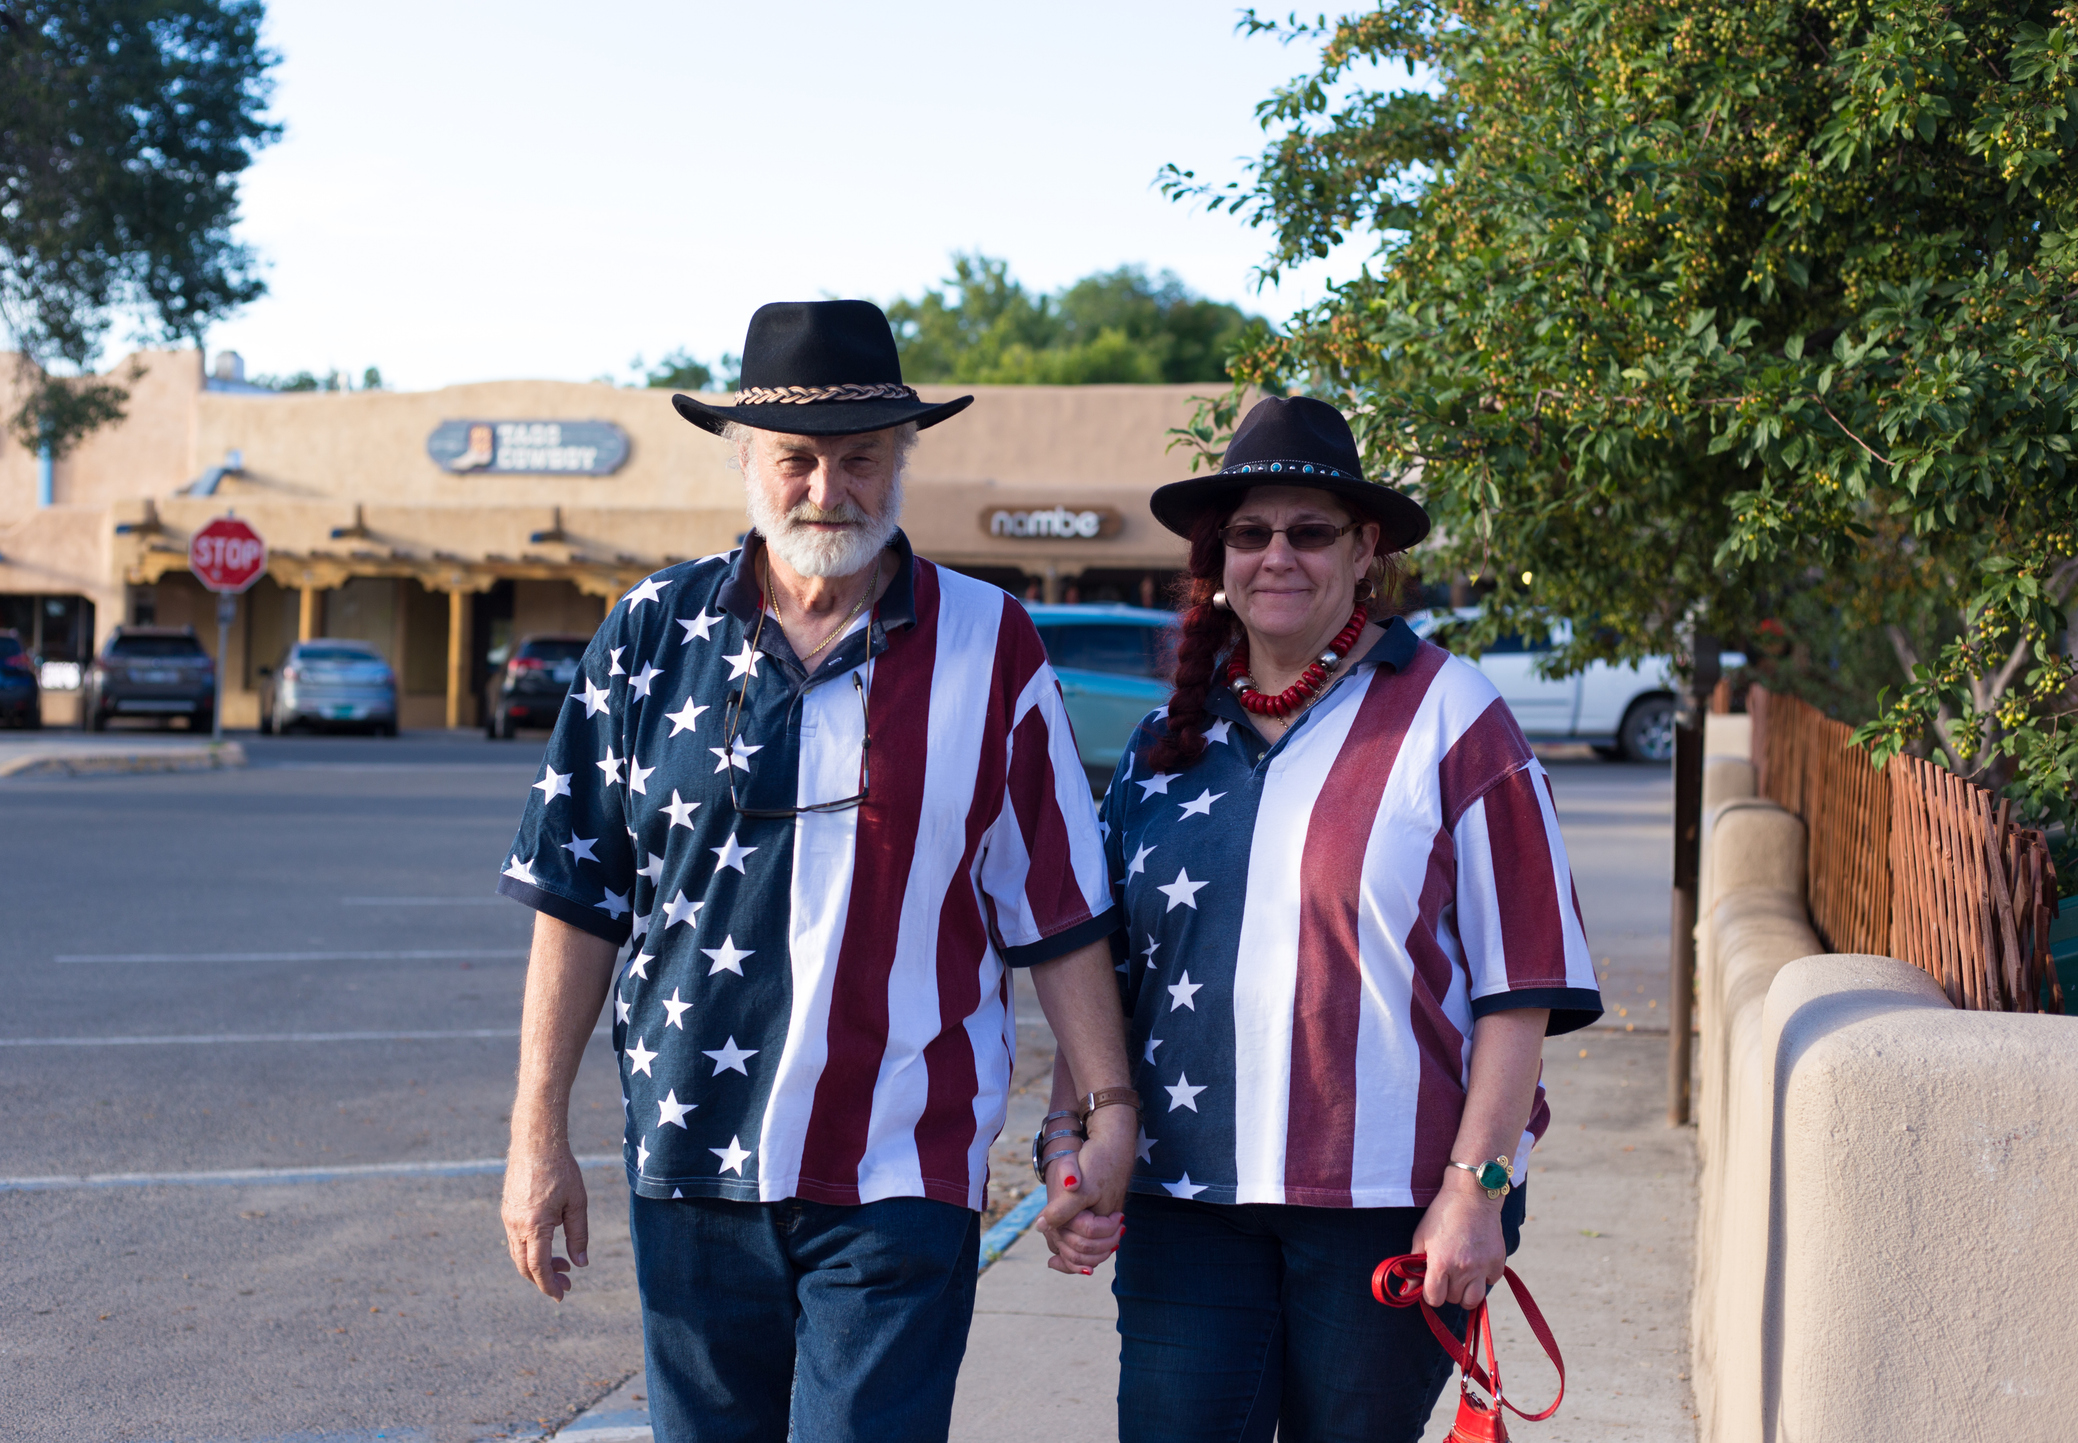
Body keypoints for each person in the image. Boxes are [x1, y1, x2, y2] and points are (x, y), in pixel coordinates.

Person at [495, 300, 1136, 1443]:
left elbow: (1057, 905)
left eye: (860, 459)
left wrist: (1105, 1110)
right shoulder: (650, 631)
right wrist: (535, 1138)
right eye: (797, 459)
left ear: (903, 460)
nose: (827, 489)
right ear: (746, 460)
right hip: (689, 1153)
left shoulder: (992, 644)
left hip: (901, 1161)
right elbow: (576, 900)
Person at [1042, 396, 1603, 1442]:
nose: (1275, 557)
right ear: (1217, 559)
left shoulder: (1454, 717)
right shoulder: (1166, 741)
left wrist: (1475, 1190)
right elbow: (1106, 970)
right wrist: (1067, 1137)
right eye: (1248, 534)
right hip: (1186, 1197)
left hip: (1390, 1203)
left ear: (1364, 551)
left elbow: (1518, 986)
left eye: (1308, 532)